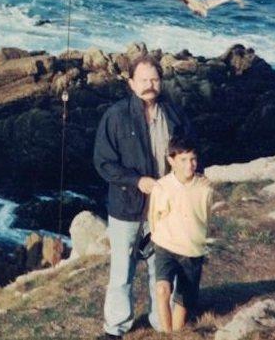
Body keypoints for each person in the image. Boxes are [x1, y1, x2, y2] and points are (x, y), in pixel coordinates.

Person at [93, 54, 194, 339]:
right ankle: (115, 328)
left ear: (160, 81)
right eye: (143, 80)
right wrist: (137, 181)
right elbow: (103, 162)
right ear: (131, 83)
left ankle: (160, 321)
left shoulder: (174, 115)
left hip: (164, 210)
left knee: (159, 269)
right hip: (125, 209)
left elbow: (190, 155)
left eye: (155, 79)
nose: (150, 85)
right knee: (122, 272)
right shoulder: (115, 116)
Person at [149, 136, 212, 332]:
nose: (189, 165)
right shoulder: (162, 187)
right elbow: (154, 218)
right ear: (171, 161)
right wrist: (160, 237)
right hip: (165, 246)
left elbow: (204, 217)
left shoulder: (205, 187)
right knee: (161, 290)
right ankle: (166, 334)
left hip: (192, 250)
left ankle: (175, 333)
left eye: (193, 159)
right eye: (183, 160)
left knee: (183, 301)